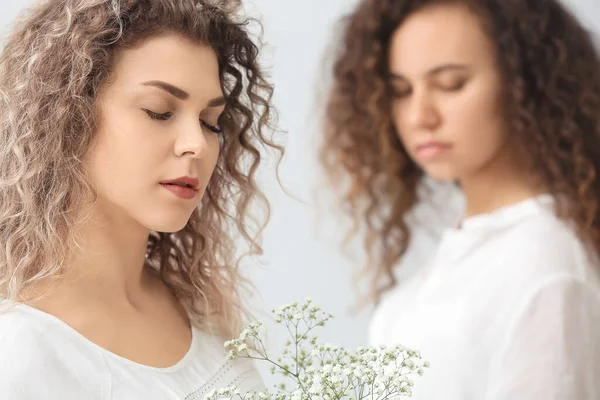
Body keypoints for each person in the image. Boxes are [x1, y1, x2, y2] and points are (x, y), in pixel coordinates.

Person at [0, 0, 281, 398]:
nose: (196, 145)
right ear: (69, 116)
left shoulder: (202, 309)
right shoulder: (19, 351)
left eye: (209, 122)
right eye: (159, 111)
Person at [321, 0, 600, 398]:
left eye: (451, 84)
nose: (420, 115)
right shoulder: (470, 251)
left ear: (525, 84)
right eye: (401, 91)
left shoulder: (546, 265)